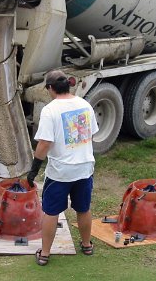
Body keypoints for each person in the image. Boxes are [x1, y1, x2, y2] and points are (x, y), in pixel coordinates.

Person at [27, 70, 99, 266]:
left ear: (50, 88)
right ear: (68, 85)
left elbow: (44, 144)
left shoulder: (50, 110)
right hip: (84, 169)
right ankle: (86, 245)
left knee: (51, 212)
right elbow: (90, 136)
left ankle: (45, 254)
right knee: (83, 208)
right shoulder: (85, 105)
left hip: (60, 172)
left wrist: (33, 170)